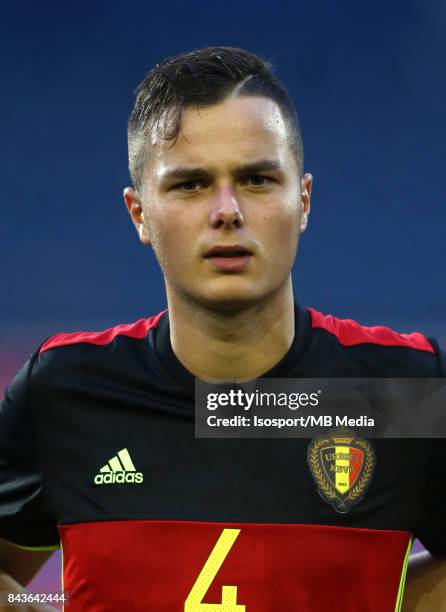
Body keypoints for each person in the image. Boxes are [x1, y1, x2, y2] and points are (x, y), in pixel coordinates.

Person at [0, 46, 445, 612]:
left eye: (257, 179)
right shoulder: (64, 390)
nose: (228, 210)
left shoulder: (403, 392)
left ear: (303, 201)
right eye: (190, 184)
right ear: (139, 214)